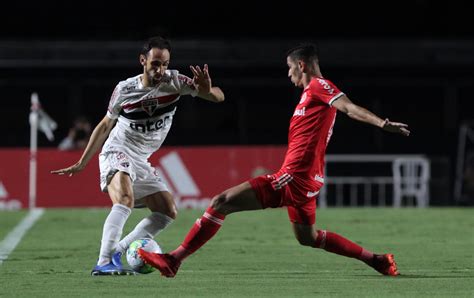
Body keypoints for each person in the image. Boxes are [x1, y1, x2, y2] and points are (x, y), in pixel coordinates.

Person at [138, 43, 410, 278]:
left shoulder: (319, 86)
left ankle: (173, 260)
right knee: (308, 237)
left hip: (295, 177)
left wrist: (381, 123)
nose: (288, 73)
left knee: (220, 202)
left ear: (301, 65)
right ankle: (376, 260)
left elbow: (349, 107)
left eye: (290, 68)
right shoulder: (309, 95)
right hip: (308, 180)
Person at [51, 36, 225, 275]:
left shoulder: (175, 82)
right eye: (155, 63)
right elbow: (104, 126)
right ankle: (103, 262)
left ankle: (118, 250)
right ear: (143, 60)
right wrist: (83, 162)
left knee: (167, 211)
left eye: (164, 64)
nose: (160, 69)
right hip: (117, 150)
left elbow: (217, 96)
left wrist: (206, 90)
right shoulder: (125, 89)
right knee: (124, 200)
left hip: (141, 160)